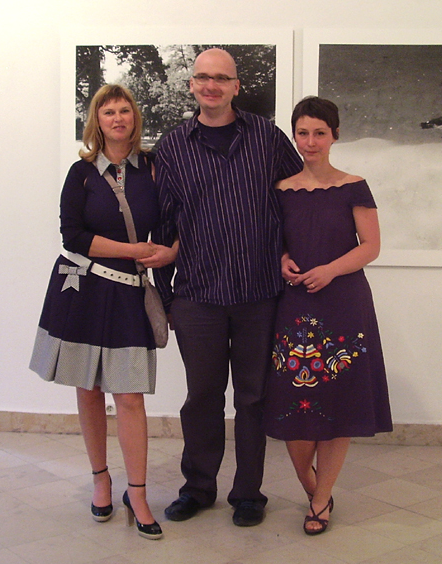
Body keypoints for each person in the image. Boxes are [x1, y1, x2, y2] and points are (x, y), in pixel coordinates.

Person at [147, 48, 303, 527]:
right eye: (203, 77)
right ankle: (198, 488)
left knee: (253, 398)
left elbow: (297, 199)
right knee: (202, 398)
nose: (211, 86)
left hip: (260, 292)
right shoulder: (172, 146)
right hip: (198, 296)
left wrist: (294, 256)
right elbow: (164, 223)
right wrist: (167, 296)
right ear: (191, 85)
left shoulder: (267, 137)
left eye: (221, 78)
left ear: (236, 86)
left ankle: (249, 494)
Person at [30, 84, 177, 540]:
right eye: (108, 111)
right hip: (84, 289)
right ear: (97, 120)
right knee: (89, 388)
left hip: (130, 292)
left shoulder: (154, 168)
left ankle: (137, 493)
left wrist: (169, 254)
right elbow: (72, 235)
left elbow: (173, 222)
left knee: (130, 396)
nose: (117, 118)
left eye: (124, 109)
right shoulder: (81, 173)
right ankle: (101, 480)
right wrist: (133, 250)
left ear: (135, 117)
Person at [264, 96, 393, 535]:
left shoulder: (354, 186)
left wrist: (330, 270)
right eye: (303, 133)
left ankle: (321, 499)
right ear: (294, 136)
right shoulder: (281, 189)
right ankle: (311, 483)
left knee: (339, 405)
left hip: (343, 304)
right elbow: (278, 242)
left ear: (334, 135)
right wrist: (283, 259)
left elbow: (371, 246)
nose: (311, 141)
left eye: (320, 133)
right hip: (294, 304)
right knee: (292, 407)